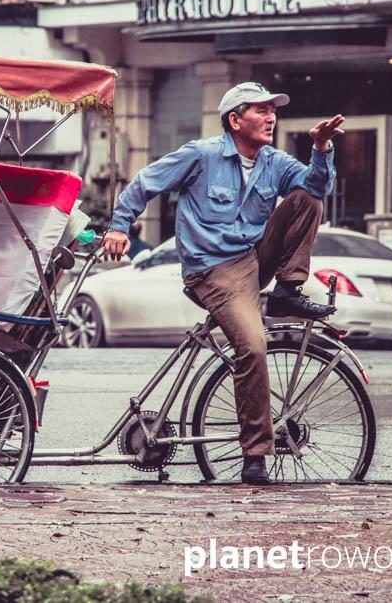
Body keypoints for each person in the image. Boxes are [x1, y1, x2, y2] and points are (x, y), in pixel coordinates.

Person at [102, 81, 345, 485]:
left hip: (256, 260)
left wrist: (321, 148)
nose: (271, 117)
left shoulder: (274, 162)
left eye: (273, 110)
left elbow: (317, 187)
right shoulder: (202, 154)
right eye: (260, 110)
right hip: (212, 270)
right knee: (252, 346)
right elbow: (146, 182)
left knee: (308, 199)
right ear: (235, 120)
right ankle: (255, 455)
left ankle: (288, 289)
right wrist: (118, 226)